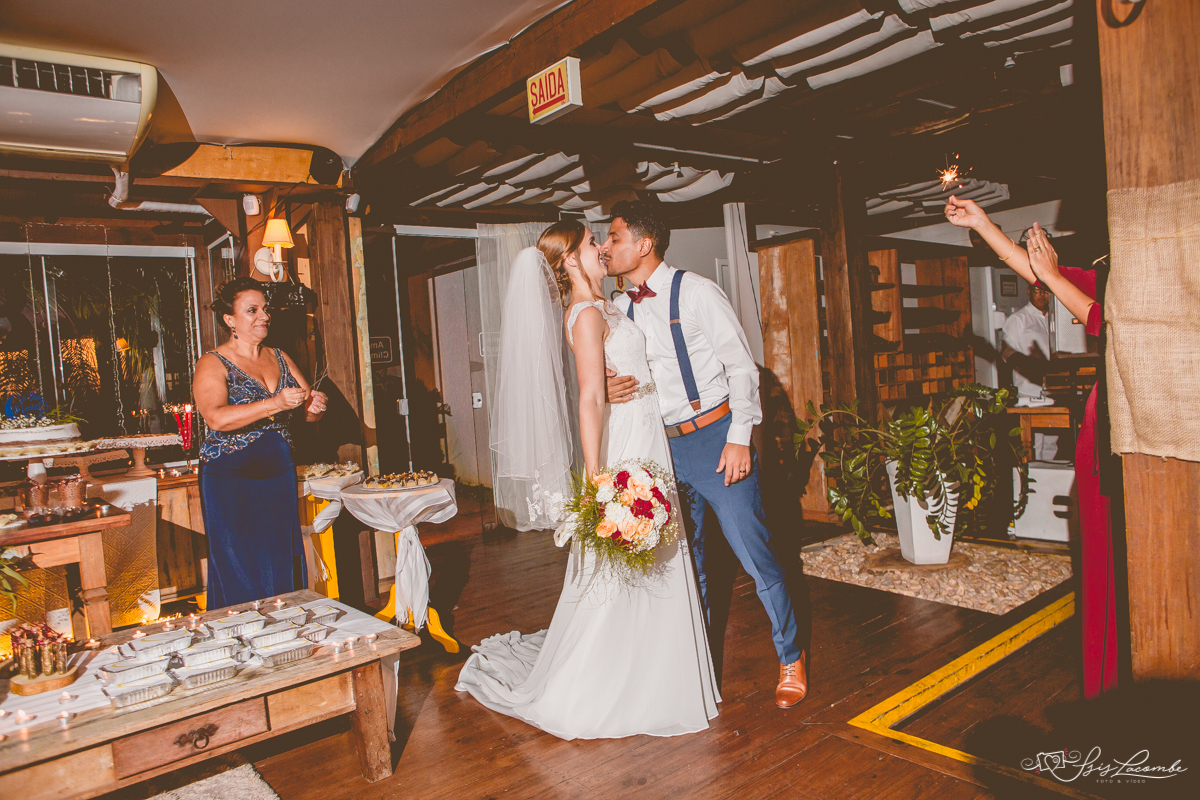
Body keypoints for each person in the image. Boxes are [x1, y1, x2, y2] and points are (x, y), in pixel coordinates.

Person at [455, 220, 719, 740]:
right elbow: (590, 398)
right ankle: (609, 677)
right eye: (591, 243)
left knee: (657, 555)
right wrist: (598, 477)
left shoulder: (609, 305)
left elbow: (618, 374)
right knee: (624, 559)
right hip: (628, 445)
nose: (601, 248)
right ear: (572, 260)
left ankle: (656, 670)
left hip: (648, 433)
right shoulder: (585, 314)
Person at [602, 200, 808, 709]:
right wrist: (608, 389)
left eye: (613, 237)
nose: (605, 247)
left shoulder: (696, 292)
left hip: (716, 440)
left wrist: (739, 436)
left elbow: (742, 368)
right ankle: (698, 668)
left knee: (755, 553)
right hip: (660, 446)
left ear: (644, 244)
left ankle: (791, 655)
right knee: (685, 565)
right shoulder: (619, 307)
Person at [946, 196, 1115, 697]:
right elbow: (1042, 274)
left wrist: (1053, 276)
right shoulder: (1101, 273)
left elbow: (1101, 317)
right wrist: (984, 224)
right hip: (1094, 414)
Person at [194, 277, 327, 608]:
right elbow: (216, 418)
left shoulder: (279, 356)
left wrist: (315, 408)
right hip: (231, 478)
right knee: (241, 565)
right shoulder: (212, 362)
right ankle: (246, 632)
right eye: (252, 310)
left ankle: (286, 628)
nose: (264, 316)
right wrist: (276, 403)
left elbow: (306, 414)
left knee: (280, 557)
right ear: (230, 319)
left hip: (278, 473)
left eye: (265, 309)